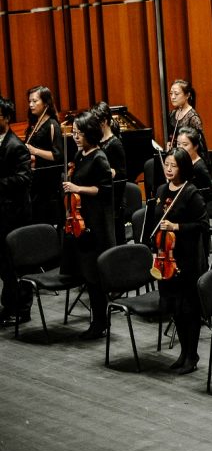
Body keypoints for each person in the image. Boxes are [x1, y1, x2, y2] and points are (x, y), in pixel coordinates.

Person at [144, 148, 210, 374]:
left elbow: (203, 226)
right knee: (174, 309)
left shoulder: (191, 193)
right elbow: (154, 224)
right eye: (167, 165)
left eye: (173, 165)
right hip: (166, 259)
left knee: (189, 310)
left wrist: (177, 227)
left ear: (183, 167)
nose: (169, 169)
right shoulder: (162, 190)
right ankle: (183, 353)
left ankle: (192, 355)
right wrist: (154, 251)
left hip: (187, 260)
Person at [61, 111, 115, 339]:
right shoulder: (81, 155)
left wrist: (77, 188)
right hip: (81, 221)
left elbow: (104, 190)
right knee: (87, 274)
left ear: (90, 134)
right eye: (73, 132)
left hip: (95, 223)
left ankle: (100, 321)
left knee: (94, 276)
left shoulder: (99, 158)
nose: (75, 136)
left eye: (79, 133)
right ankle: (98, 320)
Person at [0, 96, 33, 326]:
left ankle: (21, 309)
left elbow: (24, 178)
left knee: (16, 263)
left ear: (7, 118)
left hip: (14, 214)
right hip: (1, 212)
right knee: (3, 264)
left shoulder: (16, 146)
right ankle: (9, 304)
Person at [24, 85, 64, 226]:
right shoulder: (34, 124)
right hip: (35, 182)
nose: (31, 105)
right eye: (29, 101)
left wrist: (34, 151)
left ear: (46, 103)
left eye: (35, 101)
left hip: (48, 184)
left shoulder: (52, 125)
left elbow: (57, 156)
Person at [93, 102, 127, 243]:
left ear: (104, 121)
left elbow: (123, 174)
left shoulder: (115, 144)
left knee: (114, 237)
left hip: (114, 199)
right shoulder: (97, 140)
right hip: (101, 194)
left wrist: (112, 172)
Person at [175, 126, 212, 202]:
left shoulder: (199, 167)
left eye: (185, 145)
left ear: (195, 146)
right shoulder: (184, 162)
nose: (180, 148)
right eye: (178, 144)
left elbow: (210, 195)